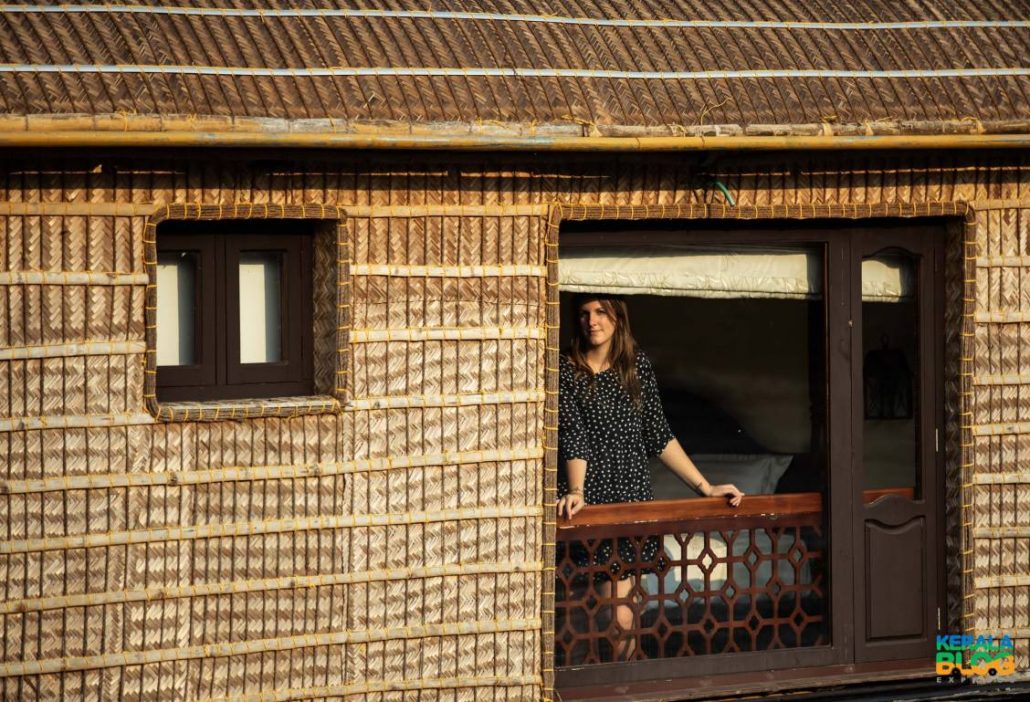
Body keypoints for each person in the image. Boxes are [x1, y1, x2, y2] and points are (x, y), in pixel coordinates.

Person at [556, 294, 744, 660]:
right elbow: (572, 435)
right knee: (591, 609)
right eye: (583, 313)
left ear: (617, 318)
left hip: (631, 498)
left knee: (622, 607)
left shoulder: (635, 366)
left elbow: (658, 434)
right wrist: (576, 490)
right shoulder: (566, 369)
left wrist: (705, 487)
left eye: (600, 312)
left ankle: (622, 684)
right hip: (589, 502)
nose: (591, 321)